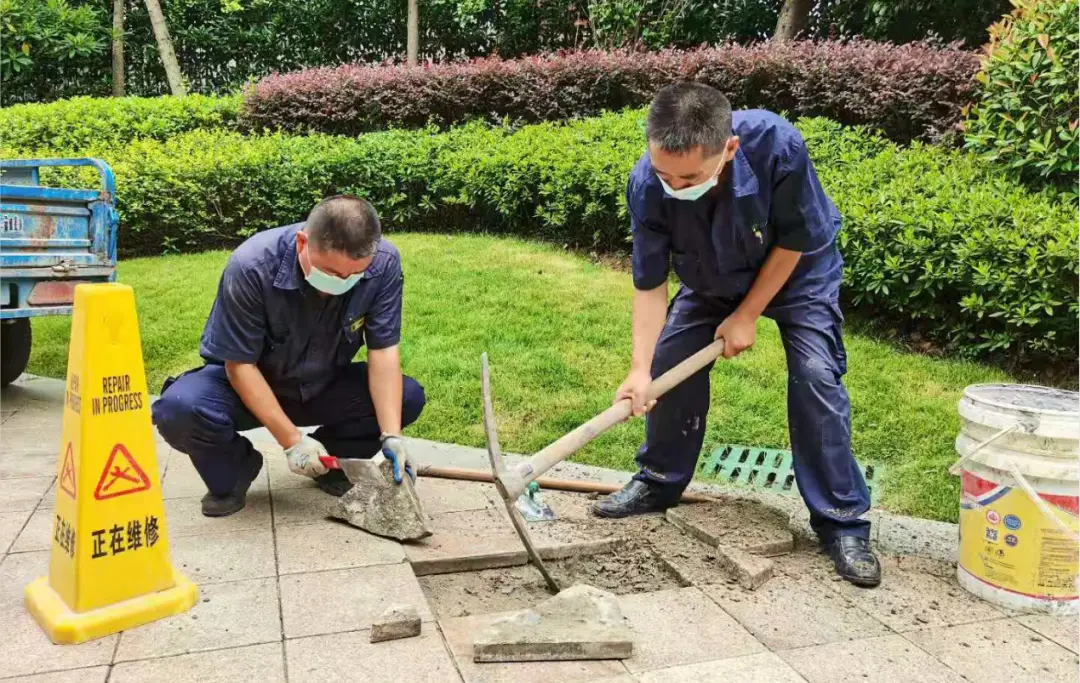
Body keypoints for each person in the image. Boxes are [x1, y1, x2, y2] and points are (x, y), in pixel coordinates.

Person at [593, 83, 880, 587]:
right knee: (670, 362)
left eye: (689, 177)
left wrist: (747, 314)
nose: (676, 188)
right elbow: (650, 284)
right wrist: (639, 370)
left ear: (729, 149)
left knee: (816, 375)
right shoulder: (647, 184)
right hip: (710, 273)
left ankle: (842, 522)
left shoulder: (778, 145)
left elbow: (795, 241)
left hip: (798, 274)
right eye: (665, 175)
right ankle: (659, 481)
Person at [152, 195, 426, 517]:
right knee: (179, 409)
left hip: (323, 383)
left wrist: (391, 435)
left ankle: (333, 463)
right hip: (248, 386)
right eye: (330, 272)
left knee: (406, 396)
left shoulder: (383, 264)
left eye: (352, 276)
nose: (338, 285)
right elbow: (239, 365)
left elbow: (383, 351)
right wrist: (292, 441)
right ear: (301, 242)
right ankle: (235, 470)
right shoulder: (252, 266)